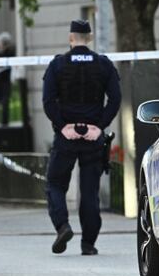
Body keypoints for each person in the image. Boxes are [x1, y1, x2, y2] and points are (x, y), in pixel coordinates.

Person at [42, 19, 120, 256]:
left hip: (66, 137)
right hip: (92, 137)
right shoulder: (103, 65)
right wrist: (99, 126)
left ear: (70, 38)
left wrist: (63, 125)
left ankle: (62, 225)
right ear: (90, 37)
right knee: (89, 191)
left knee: (55, 184)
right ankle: (89, 243)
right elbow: (115, 100)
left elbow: (47, 102)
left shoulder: (58, 65)